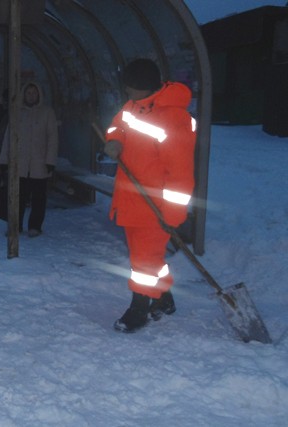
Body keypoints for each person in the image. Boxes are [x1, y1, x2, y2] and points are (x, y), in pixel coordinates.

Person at [102, 58, 197, 333]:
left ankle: (139, 309)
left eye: (131, 87)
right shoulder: (134, 106)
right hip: (131, 200)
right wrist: (115, 140)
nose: (127, 93)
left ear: (144, 87)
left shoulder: (174, 118)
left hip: (155, 206)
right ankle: (164, 299)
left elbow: (180, 174)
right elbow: (116, 124)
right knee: (149, 258)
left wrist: (174, 213)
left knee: (143, 262)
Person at [0, 82, 59, 237]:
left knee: (39, 197)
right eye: (28, 93)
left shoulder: (47, 112)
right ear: (23, 95)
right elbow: (8, 137)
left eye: (34, 93)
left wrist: (50, 161)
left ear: (39, 95)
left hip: (39, 163)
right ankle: (15, 225)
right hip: (20, 163)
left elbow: (53, 138)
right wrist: (4, 160)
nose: (31, 95)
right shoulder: (17, 112)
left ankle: (35, 226)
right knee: (17, 197)